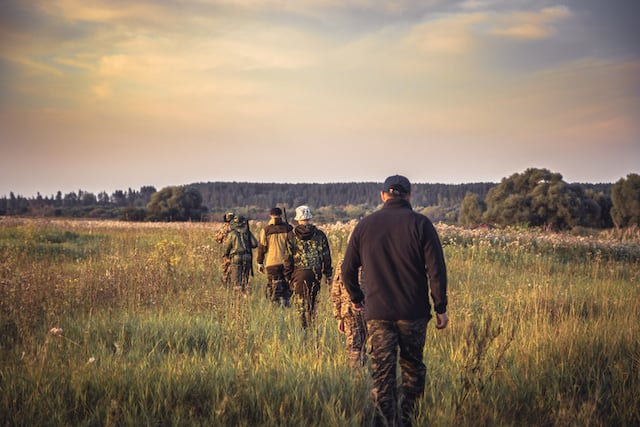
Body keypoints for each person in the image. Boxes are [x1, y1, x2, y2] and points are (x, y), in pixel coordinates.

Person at [341, 175, 449, 427]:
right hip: (413, 312)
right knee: (413, 369)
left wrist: (357, 298)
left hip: (377, 312)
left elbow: (347, 269)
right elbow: (436, 270)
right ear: (409, 196)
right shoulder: (421, 224)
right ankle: (409, 420)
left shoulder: (365, 225)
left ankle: (383, 422)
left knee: (382, 374)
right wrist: (440, 307)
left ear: (383, 195)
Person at [284, 205, 333, 329]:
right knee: (312, 302)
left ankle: (303, 329)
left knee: (301, 305)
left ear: (298, 219)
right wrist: (328, 274)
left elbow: (287, 258)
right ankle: (312, 328)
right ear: (309, 217)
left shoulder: (291, 235)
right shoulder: (319, 234)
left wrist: (288, 276)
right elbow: (326, 255)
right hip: (315, 273)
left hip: (298, 274)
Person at [332, 258, 367, 367]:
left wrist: (339, 316)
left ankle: (356, 375)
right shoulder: (373, 259)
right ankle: (364, 372)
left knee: (353, 346)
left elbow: (336, 291)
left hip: (349, 310)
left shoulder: (343, 262)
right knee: (370, 345)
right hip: (370, 308)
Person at [256, 207, 293, 306]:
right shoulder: (288, 228)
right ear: (281, 215)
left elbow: (261, 248)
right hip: (287, 263)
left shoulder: (266, 230)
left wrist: (260, 263)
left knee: (273, 287)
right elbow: (293, 246)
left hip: (271, 263)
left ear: (270, 215)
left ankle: (274, 308)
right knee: (286, 287)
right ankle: (286, 308)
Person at [223, 215, 258, 294]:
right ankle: (246, 294)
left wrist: (226, 255)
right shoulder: (247, 232)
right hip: (247, 257)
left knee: (236, 279)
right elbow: (255, 244)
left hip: (236, 258)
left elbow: (227, 248)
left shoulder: (232, 234)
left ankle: (238, 298)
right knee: (245, 278)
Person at [215, 211, 235, 286]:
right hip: (236, 252)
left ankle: (226, 285)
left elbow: (217, 239)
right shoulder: (237, 227)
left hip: (226, 253)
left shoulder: (224, 228)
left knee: (226, 271)